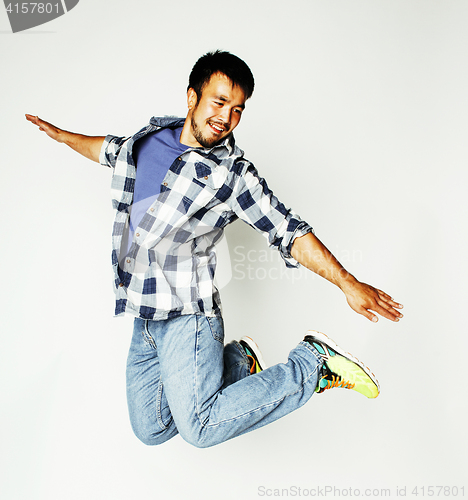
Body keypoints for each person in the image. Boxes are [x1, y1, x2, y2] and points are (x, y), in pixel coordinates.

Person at [25, 50, 403, 448]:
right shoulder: (149, 139)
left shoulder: (232, 175)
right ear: (192, 97)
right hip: (146, 313)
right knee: (151, 427)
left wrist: (348, 283)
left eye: (237, 109)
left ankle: (314, 364)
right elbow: (109, 151)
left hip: (189, 315)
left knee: (199, 428)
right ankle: (238, 362)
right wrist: (64, 136)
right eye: (219, 102)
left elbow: (287, 229)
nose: (226, 117)